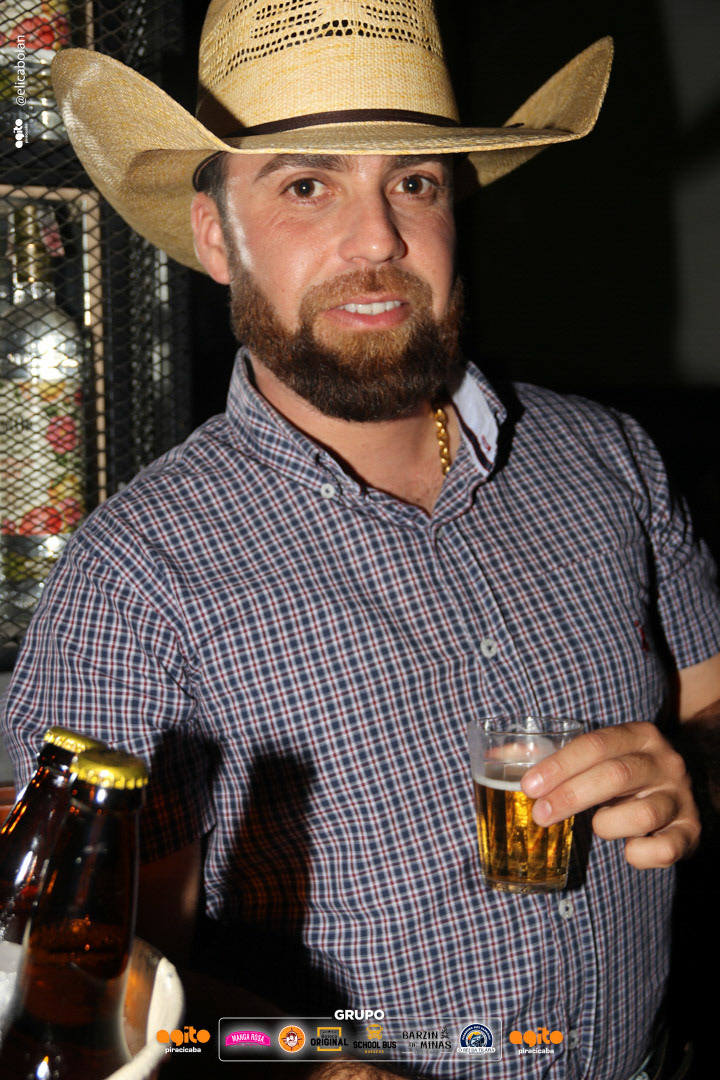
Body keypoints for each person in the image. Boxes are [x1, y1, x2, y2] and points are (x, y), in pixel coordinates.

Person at [2, 2, 719, 1079]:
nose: (379, 238)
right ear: (217, 238)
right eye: (307, 185)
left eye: (415, 183)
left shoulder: (607, 460)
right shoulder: (137, 580)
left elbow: (708, 705)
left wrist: (692, 771)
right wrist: (318, 1061)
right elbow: (72, 979)